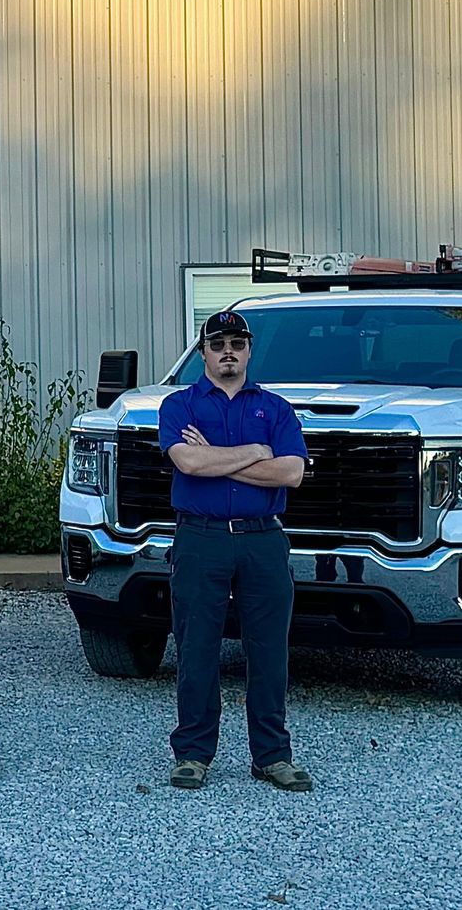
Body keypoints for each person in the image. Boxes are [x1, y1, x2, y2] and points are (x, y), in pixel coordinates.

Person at [160, 310, 311, 793]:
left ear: (249, 351)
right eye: (218, 342)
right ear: (202, 351)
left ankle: (272, 756)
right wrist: (256, 451)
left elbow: (291, 473)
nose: (229, 351)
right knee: (196, 646)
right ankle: (193, 753)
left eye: (237, 343)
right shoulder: (179, 406)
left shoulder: (277, 409)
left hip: (263, 538)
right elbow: (187, 461)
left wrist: (218, 460)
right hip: (200, 538)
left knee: (269, 650)